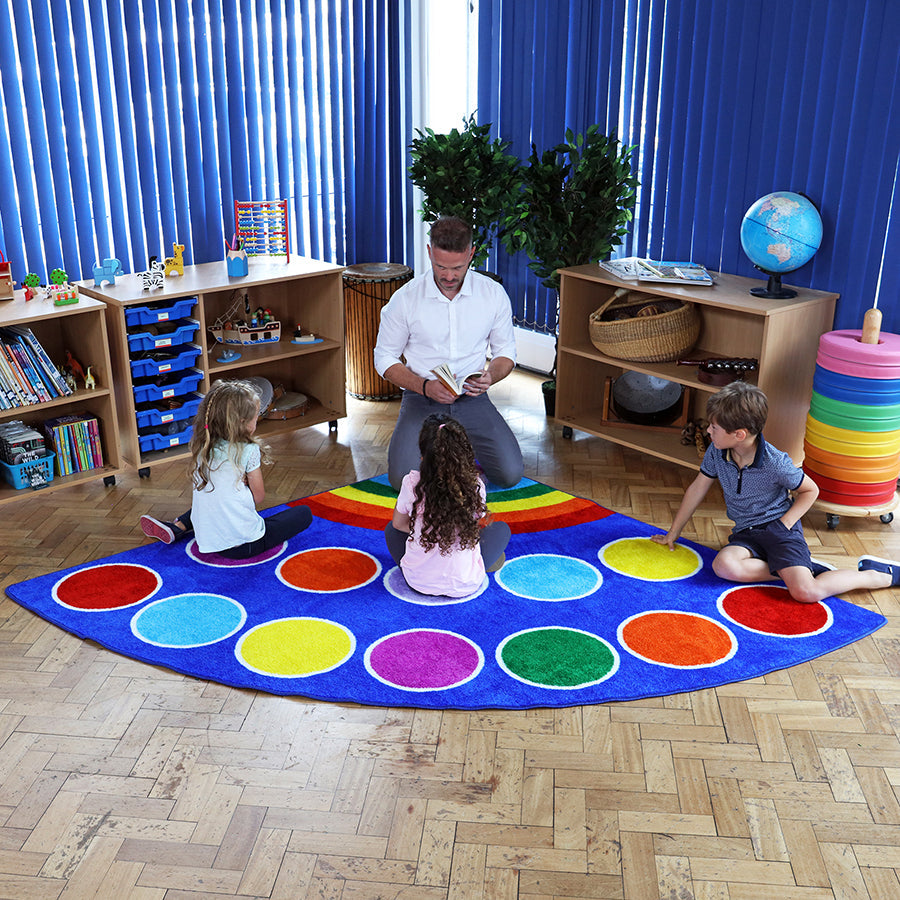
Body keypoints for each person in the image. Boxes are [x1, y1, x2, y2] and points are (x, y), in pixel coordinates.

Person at [652, 380, 900, 603]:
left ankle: (879, 574)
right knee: (723, 566)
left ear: (739, 435)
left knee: (806, 593)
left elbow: (810, 490)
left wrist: (784, 524)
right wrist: (673, 533)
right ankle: (799, 569)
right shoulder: (717, 452)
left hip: (781, 532)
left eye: (714, 427)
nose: (708, 431)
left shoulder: (775, 463)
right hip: (747, 532)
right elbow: (697, 488)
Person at [373, 215, 524, 491]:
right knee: (401, 481)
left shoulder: (493, 294)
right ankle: (447, 455)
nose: (449, 276)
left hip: (472, 399)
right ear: (429, 252)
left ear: (471, 254)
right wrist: (424, 386)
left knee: (510, 475)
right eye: (441, 266)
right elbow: (384, 358)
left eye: (457, 267)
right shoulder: (405, 299)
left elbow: (506, 353)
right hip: (421, 398)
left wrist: (491, 376)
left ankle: (454, 452)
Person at [140, 379, 312, 557]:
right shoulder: (249, 450)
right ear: (243, 422)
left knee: (214, 498)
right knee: (304, 513)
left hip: (207, 540)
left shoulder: (203, 445)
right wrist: (246, 483)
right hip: (244, 545)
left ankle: (178, 526)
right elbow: (259, 497)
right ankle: (180, 526)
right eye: (255, 418)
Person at [385, 414, 511, 597]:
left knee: (391, 530)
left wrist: (423, 532)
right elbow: (474, 527)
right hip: (466, 583)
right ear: (464, 454)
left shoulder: (411, 483)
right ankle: (481, 562)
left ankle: (427, 566)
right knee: (501, 529)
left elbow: (398, 524)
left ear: (423, 457)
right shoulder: (475, 486)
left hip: (418, 582)